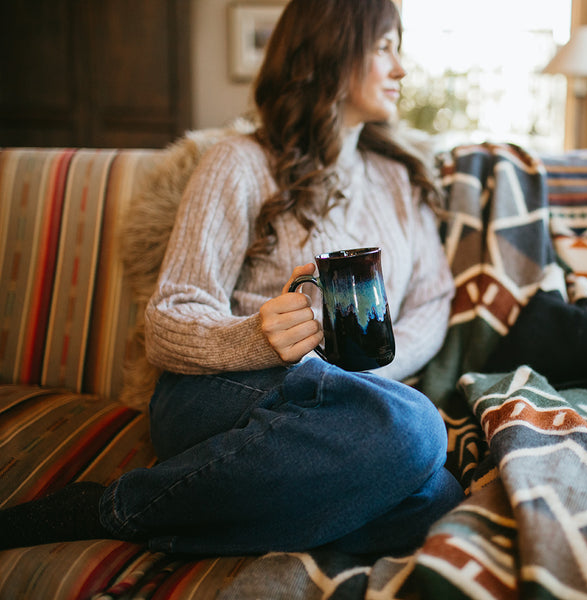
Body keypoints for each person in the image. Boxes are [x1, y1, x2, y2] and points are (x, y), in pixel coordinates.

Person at [0, 0, 463, 556]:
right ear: (332, 52)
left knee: (435, 494)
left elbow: (434, 299)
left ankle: (152, 517)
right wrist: (255, 336)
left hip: (344, 408)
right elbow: (170, 316)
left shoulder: (399, 179)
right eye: (385, 47)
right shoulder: (238, 162)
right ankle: (118, 505)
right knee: (414, 431)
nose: (401, 68)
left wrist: (373, 368)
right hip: (220, 391)